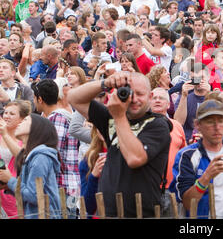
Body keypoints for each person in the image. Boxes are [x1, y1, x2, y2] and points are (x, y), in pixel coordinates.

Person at [67, 71, 172, 218]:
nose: (134, 99)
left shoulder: (158, 125)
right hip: (109, 213)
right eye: (129, 93)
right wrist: (105, 83)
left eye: (140, 94)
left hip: (142, 214)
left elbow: (135, 158)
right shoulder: (113, 118)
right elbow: (73, 98)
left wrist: (119, 116)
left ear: (150, 97)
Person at [31, 79, 79, 218]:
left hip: (64, 186)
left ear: (40, 99)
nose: (34, 102)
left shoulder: (57, 118)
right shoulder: (55, 117)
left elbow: (52, 151)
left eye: (34, 98)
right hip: (67, 185)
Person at [0, 114, 61, 219]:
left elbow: (34, 196)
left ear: (36, 128)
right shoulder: (30, 156)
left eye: (25, 120)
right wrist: (8, 185)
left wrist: (10, 180)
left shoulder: (40, 156)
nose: (19, 123)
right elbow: (29, 193)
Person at [0, 100, 31, 218]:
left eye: (12, 114)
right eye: (5, 113)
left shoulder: (25, 138)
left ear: (22, 119)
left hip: (13, 191)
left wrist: (5, 135)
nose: (6, 116)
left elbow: (22, 157)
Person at [173, 62, 211, 143]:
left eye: (202, 77)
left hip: (209, 139)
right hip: (188, 141)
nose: (198, 81)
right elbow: (178, 123)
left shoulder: (215, 95)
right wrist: (183, 96)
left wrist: (209, 94)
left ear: (209, 77)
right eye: (195, 78)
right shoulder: (185, 96)